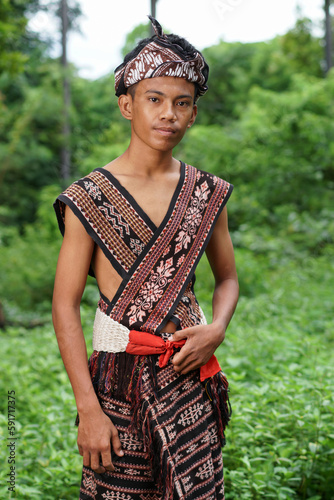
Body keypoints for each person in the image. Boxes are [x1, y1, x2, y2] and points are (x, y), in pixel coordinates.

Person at [52, 16, 239, 500]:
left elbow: (227, 280)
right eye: (154, 99)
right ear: (126, 104)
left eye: (182, 103)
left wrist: (216, 328)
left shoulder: (206, 192)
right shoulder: (88, 197)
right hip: (115, 387)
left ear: (194, 114)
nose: (168, 114)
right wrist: (88, 410)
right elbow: (64, 305)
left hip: (189, 378)